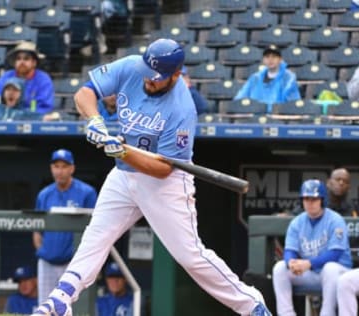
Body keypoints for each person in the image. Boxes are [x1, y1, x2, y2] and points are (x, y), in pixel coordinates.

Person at [32, 38, 272, 316]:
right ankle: (61, 300)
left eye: (156, 78)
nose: (148, 81)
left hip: (165, 183)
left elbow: (162, 169)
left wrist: (121, 153)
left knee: (190, 256)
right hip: (123, 176)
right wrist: (95, 121)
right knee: (97, 235)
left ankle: (252, 305)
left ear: (176, 75)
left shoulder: (182, 108)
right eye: (147, 73)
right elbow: (84, 93)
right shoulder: (133, 67)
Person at [272, 179, 352, 316]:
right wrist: (290, 262)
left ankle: (327, 313)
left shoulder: (335, 219)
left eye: (314, 199)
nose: (310, 202)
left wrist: (308, 264)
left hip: (338, 273)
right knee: (280, 268)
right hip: (311, 273)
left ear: (322, 200)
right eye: (306, 198)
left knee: (330, 268)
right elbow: (290, 250)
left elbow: (335, 253)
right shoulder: (297, 222)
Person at [33, 149, 98, 306]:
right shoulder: (44, 194)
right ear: (51, 168)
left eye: (64, 166)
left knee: (77, 307)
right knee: (45, 306)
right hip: (47, 261)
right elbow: (37, 228)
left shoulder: (87, 193)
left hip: (73, 263)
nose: (60, 171)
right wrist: (41, 251)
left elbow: (95, 228)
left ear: (72, 168)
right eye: (56, 166)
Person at [0, 41, 54, 115]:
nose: (22, 62)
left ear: (34, 62)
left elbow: (45, 108)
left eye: (26, 58)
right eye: (18, 59)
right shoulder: (5, 77)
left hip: (33, 120)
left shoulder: (44, 80)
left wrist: (23, 115)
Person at [234, 45, 301, 113]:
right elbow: (239, 99)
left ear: (280, 59)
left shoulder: (288, 79)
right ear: (263, 60)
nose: (270, 60)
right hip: (254, 118)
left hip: (277, 119)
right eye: (267, 57)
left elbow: (293, 104)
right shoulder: (255, 78)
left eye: (274, 57)